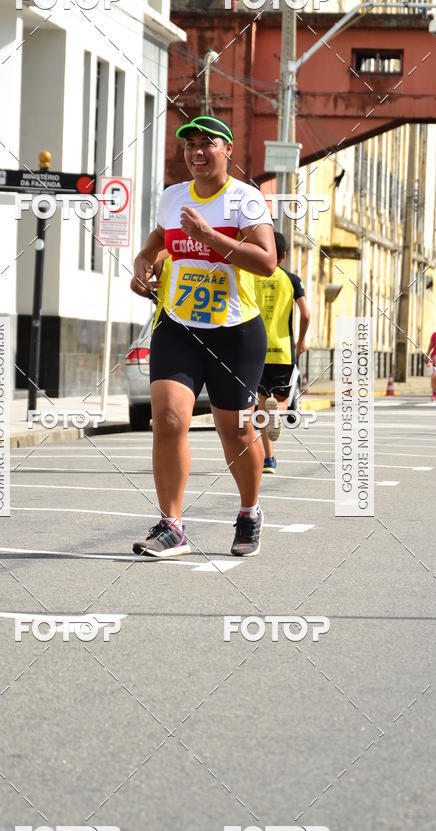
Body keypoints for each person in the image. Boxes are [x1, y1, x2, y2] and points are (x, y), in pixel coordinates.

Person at [130, 115, 276, 558]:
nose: (196, 151)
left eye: (207, 143)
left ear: (227, 149)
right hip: (178, 325)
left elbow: (267, 261)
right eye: (189, 144)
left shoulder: (245, 199)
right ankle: (171, 525)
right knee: (169, 419)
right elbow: (159, 239)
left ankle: (249, 511)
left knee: (236, 431)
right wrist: (143, 261)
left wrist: (209, 236)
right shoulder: (173, 196)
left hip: (235, 331)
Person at [254, 231, 310, 474]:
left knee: (261, 402)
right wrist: (301, 340)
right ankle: (277, 412)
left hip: (256, 349)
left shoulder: (251, 276)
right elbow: (306, 314)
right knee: (281, 400)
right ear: (284, 255)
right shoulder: (292, 280)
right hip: (283, 350)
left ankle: (269, 459)